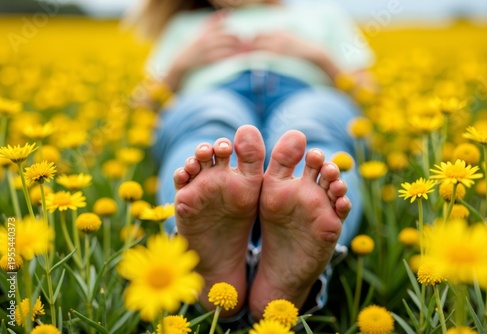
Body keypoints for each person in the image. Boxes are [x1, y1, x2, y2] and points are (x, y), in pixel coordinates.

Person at [128, 0, 374, 327]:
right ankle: (217, 255)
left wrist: (317, 56)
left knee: (308, 131)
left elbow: (369, 91)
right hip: (213, 91)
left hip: (305, 91)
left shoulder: (322, 15)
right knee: (208, 129)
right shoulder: (186, 26)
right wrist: (182, 64)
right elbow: (140, 106)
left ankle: (270, 259)